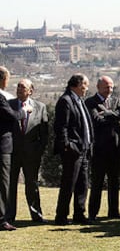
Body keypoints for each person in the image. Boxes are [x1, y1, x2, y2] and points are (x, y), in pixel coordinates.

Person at [85, 76, 120, 220]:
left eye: (111, 87)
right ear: (98, 87)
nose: (109, 90)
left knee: (114, 181)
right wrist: (116, 115)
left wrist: (109, 114)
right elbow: (97, 120)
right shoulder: (90, 102)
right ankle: (93, 213)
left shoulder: (115, 100)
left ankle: (114, 211)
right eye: (106, 87)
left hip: (115, 148)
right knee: (97, 181)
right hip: (99, 149)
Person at [6, 79, 48, 224]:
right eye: (17, 86)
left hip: (32, 154)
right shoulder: (9, 105)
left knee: (32, 185)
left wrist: (39, 151)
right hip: (12, 153)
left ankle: (36, 215)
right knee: (10, 185)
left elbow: (44, 133)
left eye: (22, 87)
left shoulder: (40, 107)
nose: (18, 89)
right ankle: (8, 216)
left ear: (30, 90)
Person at [54, 73, 94, 225]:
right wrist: (67, 146)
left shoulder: (79, 100)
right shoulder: (66, 101)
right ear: (77, 85)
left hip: (84, 150)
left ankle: (79, 214)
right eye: (85, 85)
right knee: (69, 183)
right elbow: (60, 127)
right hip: (73, 150)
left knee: (82, 184)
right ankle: (61, 216)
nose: (86, 88)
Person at [0, 66, 33, 231]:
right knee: (3, 184)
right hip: (3, 146)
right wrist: (24, 110)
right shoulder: (1, 98)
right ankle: (2, 219)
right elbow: (12, 116)